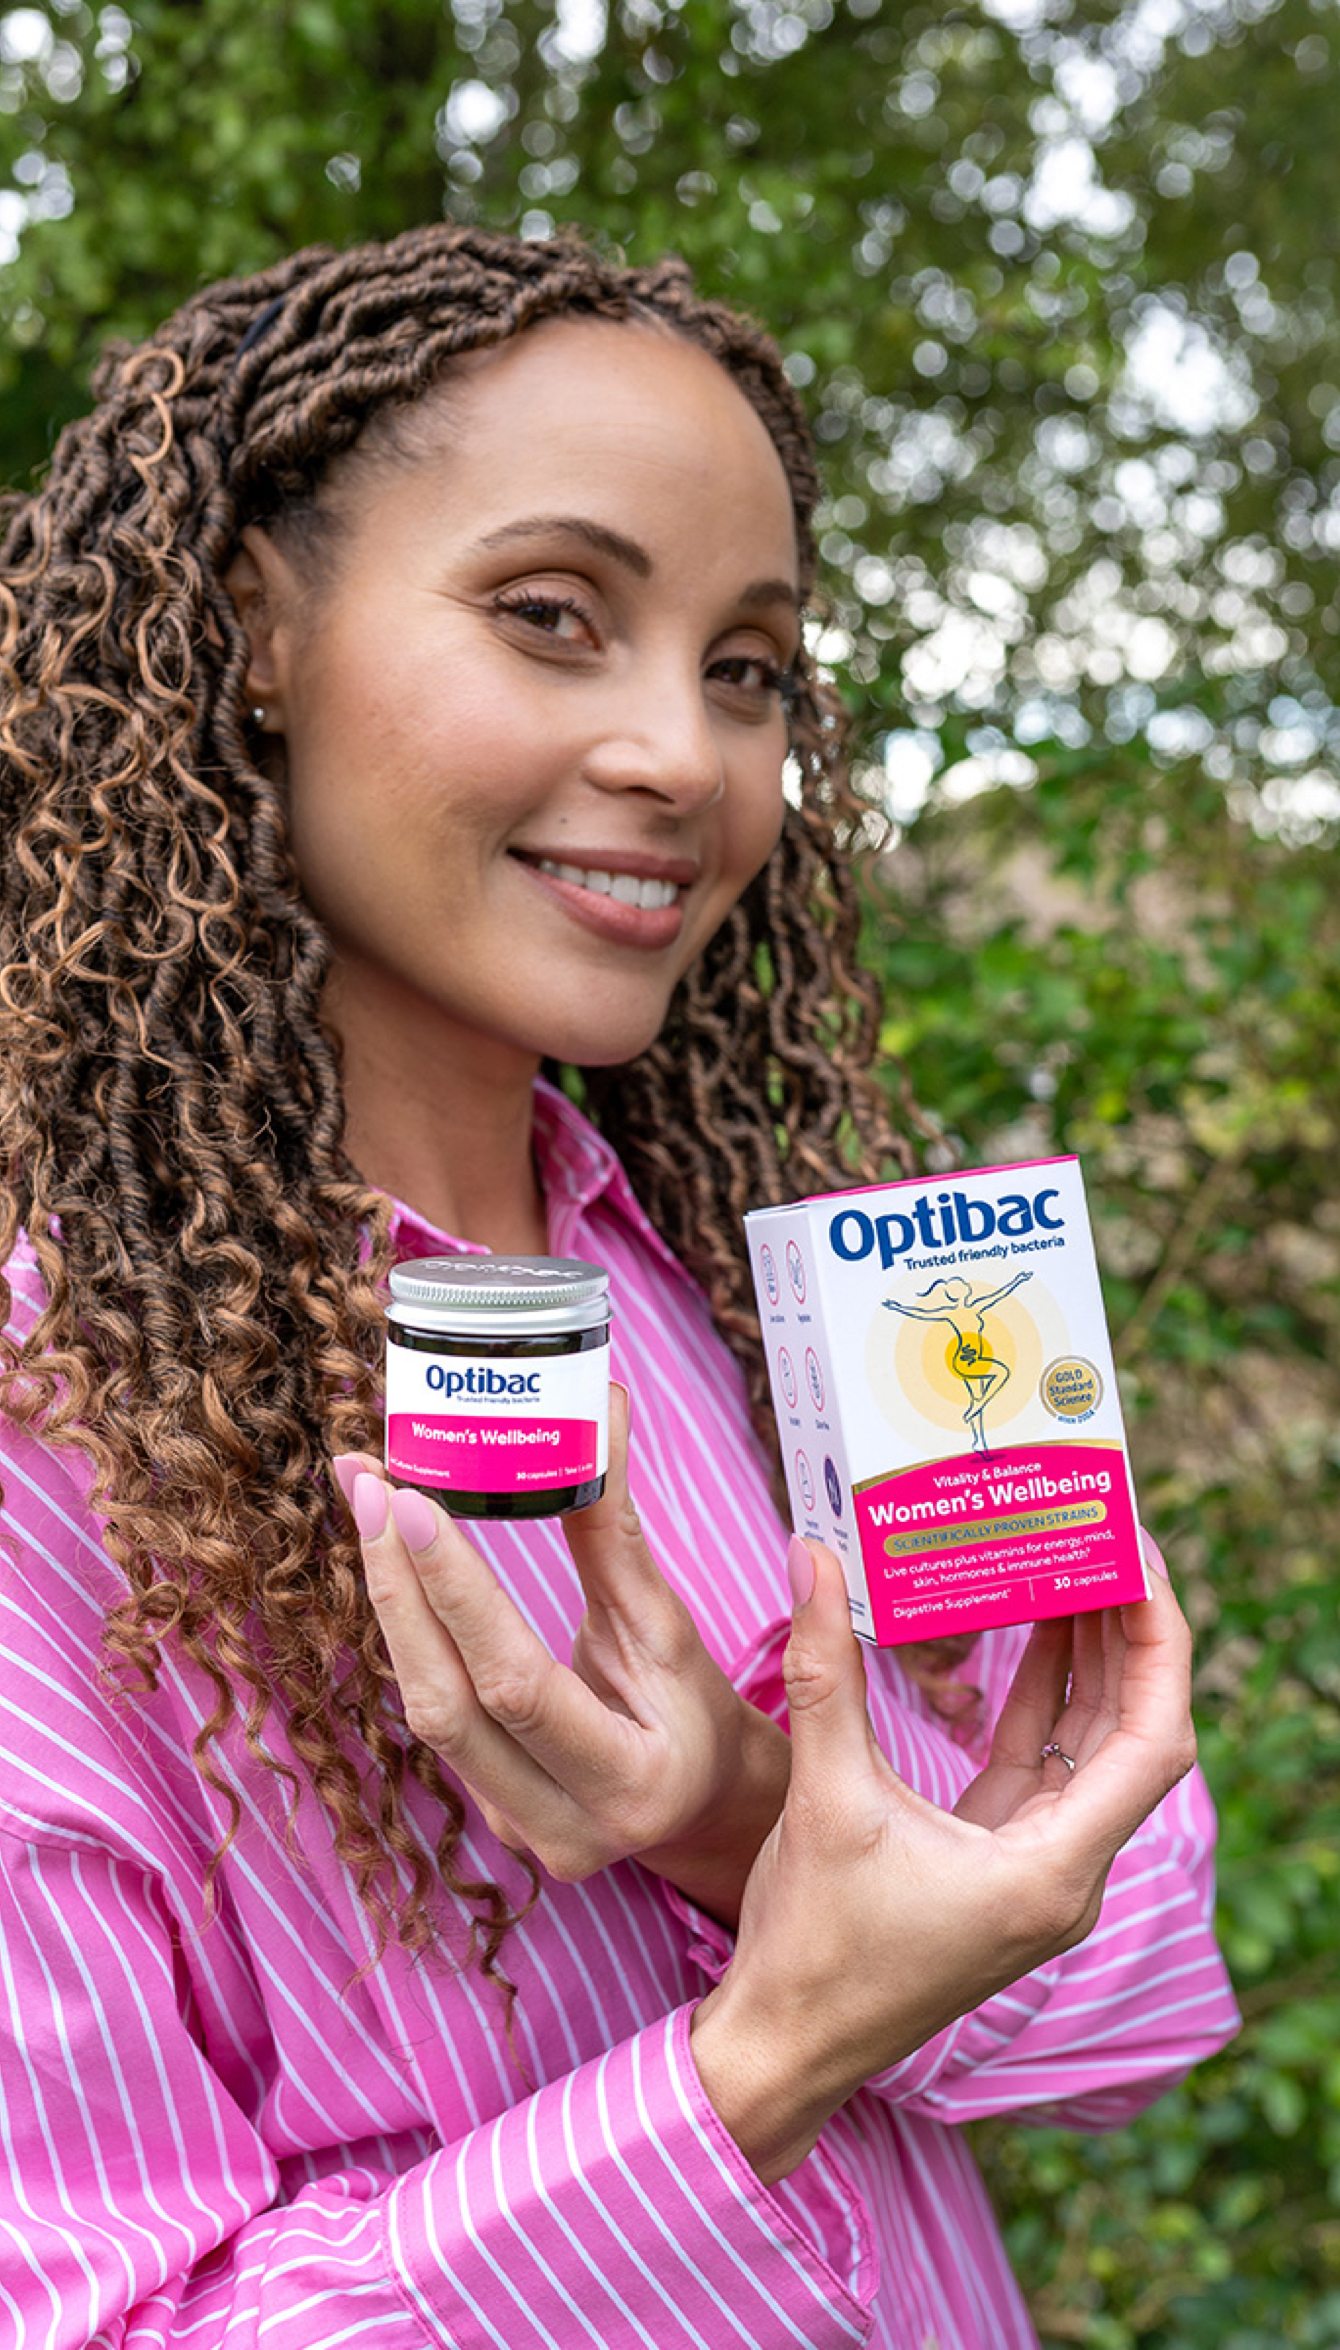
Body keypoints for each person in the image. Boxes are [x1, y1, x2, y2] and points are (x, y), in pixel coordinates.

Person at [0, 223, 1237, 2349]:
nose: (684, 751)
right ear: (248, 629)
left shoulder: (819, 1294)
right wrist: (750, 2065)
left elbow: (1123, 1983)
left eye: (746, 667)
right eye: (551, 616)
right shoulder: (51, 1432)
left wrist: (734, 1815)